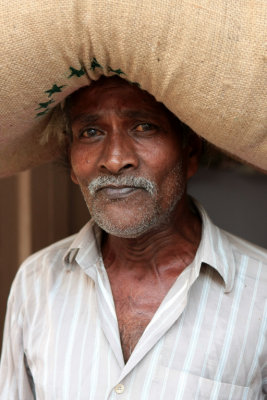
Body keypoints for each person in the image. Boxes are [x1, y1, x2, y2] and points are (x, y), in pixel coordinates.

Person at [0, 76, 266, 399]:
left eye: (143, 127)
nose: (114, 160)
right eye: (91, 132)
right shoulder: (36, 284)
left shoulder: (260, 295)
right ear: (71, 160)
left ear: (190, 150)